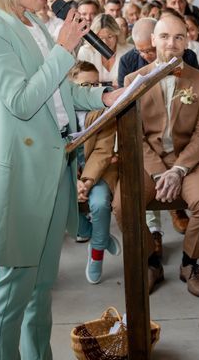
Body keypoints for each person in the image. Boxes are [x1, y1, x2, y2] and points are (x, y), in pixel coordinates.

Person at [0, 0, 122, 358]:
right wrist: (64, 49)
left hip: (53, 169)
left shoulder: (33, 22)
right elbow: (20, 100)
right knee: (13, 292)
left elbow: (60, 93)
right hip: (18, 174)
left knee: (40, 292)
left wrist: (106, 95)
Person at [115, 14, 199, 298]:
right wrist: (161, 171)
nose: (170, 43)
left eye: (178, 37)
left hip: (190, 160)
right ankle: (151, 262)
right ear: (153, 40)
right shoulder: (133, 80)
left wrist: (179, 169)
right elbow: (133, 135)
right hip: (149, 160)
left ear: (187, 41)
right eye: (164, 36)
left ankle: (190, 263)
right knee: (123, 205)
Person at [69, 61, 121, 284]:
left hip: (96, 170)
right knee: (61, 206)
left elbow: (102, 150)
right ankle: (98, 234)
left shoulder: (102, 112)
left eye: (95, 84)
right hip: (68, 170)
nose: (91, 90)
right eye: (84, 85)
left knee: (99, 203)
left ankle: (97, 252)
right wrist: (75, 181)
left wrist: (87, 181)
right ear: (71, 85)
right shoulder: (61, 111)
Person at [77, 13, 133, 87]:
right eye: (100, 38)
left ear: (117, 34)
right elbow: (81, 84)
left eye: (110, 37)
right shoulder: (85, 52)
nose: (105, 42)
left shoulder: (129, 50)